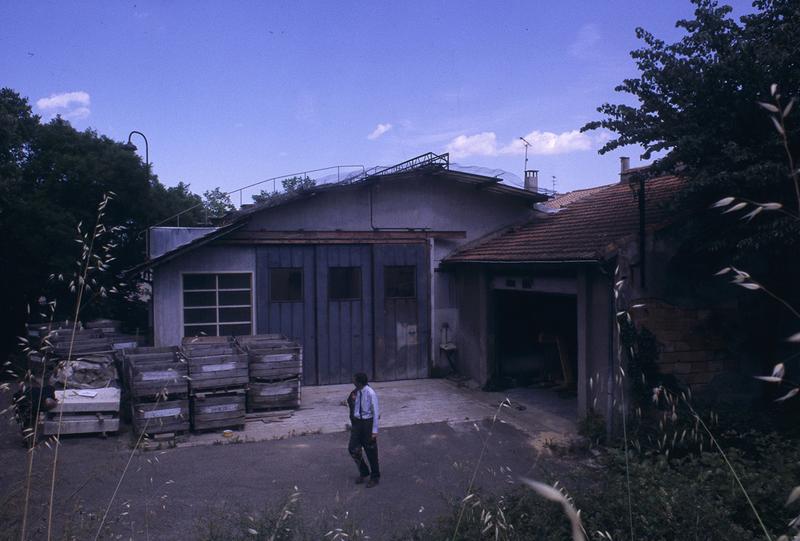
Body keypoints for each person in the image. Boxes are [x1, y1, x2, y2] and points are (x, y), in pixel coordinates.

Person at [347, 372, 380, 487]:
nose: (352, 381)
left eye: (354, 380)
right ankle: (364, 471)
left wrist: (374, 431)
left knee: (370, 450)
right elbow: (352, 407)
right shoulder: (355, 392)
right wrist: (351, 422)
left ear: (359, 382)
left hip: (367, 423)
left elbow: (376, 413)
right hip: (357, 423)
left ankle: (375, 476)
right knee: (352, 448)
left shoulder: (370, 393)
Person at [13, 372, 58, 447]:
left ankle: (29, 437)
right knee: (30, 418)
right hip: (30, 404)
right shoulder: (48, 389)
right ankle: (30, 438)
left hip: (23, 403)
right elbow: (49, 402)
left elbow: (14, 401)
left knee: (28, 420)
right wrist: (55, 403)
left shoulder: (23, 392)